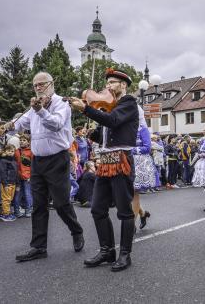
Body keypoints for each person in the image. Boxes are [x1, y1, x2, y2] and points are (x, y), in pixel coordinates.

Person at [10, 71, 84, 262]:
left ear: (51, 84)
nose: (38, 87)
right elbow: (20, 123)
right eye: (35, 85)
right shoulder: (34, 107)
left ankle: (76, 230)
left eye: (41, 84)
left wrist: (40, 111)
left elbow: (56, 124)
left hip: (57, 159)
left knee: (61, 203)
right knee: (39, 205)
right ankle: (38, 246)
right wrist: (9, 125)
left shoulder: (62, 103)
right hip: (38, 161)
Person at [69, 68, 138, 271]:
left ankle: (125, 254)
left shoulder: (128, 103)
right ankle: (107, 251)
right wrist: (93, 134)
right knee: (98, 208)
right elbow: (105, 134)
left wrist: (86, 109)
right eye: (107, 83)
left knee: (125, 211)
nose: (108, 86)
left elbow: (113, 121)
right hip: (105, 162)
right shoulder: (109, 107)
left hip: (121, 161)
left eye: (112, 82)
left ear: (123, 85)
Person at [132, 105, 159, 229]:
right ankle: (142, 213)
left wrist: (131, 150)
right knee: (127, 195)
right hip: (126, 162)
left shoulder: (142, 129)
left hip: (139, 164)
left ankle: (131, 225)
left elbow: (147, 148)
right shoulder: (125, 128)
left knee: (134, 194)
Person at [14, 134, 33, 218]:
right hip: (18, 176)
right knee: (18, 194)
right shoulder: (16, 151)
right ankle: (17, 211)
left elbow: (34, 165)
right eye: (20, 140)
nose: (21, 141)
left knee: (27, 193)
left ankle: (28, 210)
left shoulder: (31, 152)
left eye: (24, 140)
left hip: (27, 176)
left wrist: (31, 176)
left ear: (28, 142)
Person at [0, 144, 18, 222]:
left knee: (9, 199)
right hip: (7, 183)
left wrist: (18, 184)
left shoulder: (14, 161)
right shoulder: (3, 161)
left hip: (13, 183)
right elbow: (2, 173)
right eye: (8, 151)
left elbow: (16, 173)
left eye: (12, 151)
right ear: (5, 151)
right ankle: (6, 215)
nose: (10, 152)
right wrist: (5, 184)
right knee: (6, 199)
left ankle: (6, 212)